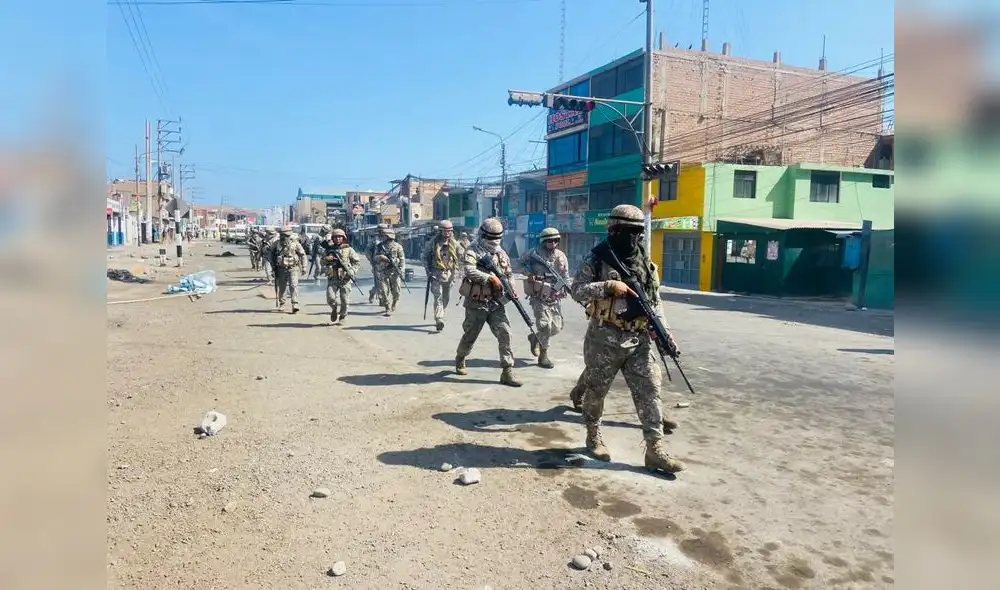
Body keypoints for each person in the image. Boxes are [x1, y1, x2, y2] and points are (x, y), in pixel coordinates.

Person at [570, 204, 684, 474]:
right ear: (613, 230)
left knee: (650, 390)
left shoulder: (646, 262)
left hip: (639, 338)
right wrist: (608, 286)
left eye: (637, 232)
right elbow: (576, 290)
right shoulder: (597, 258)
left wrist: (665, 333)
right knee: (597, 390)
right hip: (604, 337)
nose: (633, 238)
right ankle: (592, 434)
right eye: (627, 231)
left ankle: (655, 449)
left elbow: (655, 303)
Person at [455, 217, 521, 388]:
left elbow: (509, 273)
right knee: (470, 336)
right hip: (477, 303)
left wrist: (512, 286)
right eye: (491, 238)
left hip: (496, 303)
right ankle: (460, 357)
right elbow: (468, 270)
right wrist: (489, 278)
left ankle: (507, 371)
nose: (494, 241)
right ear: (483, 235)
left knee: (505, 333)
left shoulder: (501, 252)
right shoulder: (472, 250)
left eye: (497, 238)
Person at [517, 227, 569, 369]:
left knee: (557, 327)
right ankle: (543, 356)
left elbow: (565, 277)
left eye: (555, 240)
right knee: (545, 325)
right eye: (550, 240)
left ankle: (535, 338)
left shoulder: (561, 256)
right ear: (544, 241)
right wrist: (528, 274)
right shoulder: (534, 253)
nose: (553, 243)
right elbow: (519, 263)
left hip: (554, 296)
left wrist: (559, 290)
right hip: (538, 295)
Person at [422, 220, 461, 331]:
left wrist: (461, 270)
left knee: (446, 298)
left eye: (449, 231)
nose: (447, 233)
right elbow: (424, 257)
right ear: (440, 231)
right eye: (445, 231)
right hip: (436, 273)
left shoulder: (455, 244)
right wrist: (428, 271)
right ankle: (439, 319)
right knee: (438, 297)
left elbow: (461, 258)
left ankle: (441, 313)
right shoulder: (432, 243)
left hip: (450, 274)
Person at [320, 228, 361, 325]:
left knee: (344, 300)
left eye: (340, 237)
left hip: (345, 279)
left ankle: (342, 316)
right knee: (330, 297)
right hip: (333, 277)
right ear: (333, 239)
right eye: (336, 237)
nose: (338, 239)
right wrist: (327, 259)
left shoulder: (349, 249)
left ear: (343, 238)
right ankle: (334, 308)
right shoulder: (328, 250)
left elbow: (357, 263)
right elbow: (322, 262)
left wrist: (351, 271)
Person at [266, 225, 307, 313]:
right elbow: (270, 255)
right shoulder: (276, 244)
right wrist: (273, 268)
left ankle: (295, 303)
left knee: (294, 286)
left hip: (293, 268)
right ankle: (282, 303)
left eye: (287, 235)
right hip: (281, 269)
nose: (285, 237)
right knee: (282, 287)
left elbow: (303, 255)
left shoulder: (295, 243)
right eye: (283, 235)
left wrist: (304, 267)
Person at [373, 228, 405, 316]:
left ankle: (394, 302)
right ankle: (387, 307)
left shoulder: (398, 247)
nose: (382, 237)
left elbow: (402, 260)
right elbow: (374, 258)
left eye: (383, 235)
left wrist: (401, 270)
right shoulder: (379, 246)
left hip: (395, 272)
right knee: (383, 290)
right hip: (383, 271)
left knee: (396, 291)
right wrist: (381, 257)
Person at [366, 225, 388, 304]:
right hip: (378, 264)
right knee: (379, 282)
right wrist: (372, 261)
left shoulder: (389, 238)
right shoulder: (374, 240)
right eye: (382, 230)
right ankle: (382, 300)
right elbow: (367, 252)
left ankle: (372, 292)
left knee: (386, 283)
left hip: (388, 265)